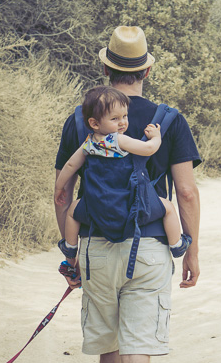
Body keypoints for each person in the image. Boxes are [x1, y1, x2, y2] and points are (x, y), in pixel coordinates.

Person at [54, 25, 201, 363]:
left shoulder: (83, 120)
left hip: (96, 248)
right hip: (152, 246)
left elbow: (62, 194)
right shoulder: (169, 119)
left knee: (109, 345)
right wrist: (191, 251)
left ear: (105, 67)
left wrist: (71, 253)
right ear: (148, 70)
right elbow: (187, 191)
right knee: (139, 345)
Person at [53, 85, 191, 265]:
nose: (123, 123)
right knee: (168, 208)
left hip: (97, 202)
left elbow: (70, 165)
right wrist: (156, 137)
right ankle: (177, 244)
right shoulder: (118, 139)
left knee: (72, 213)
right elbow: (148, 149)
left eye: (125, 116)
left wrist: (59, 187)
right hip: (127, 199)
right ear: (94, 123)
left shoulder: (88, 144)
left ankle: (70, 247)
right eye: (115, 118)